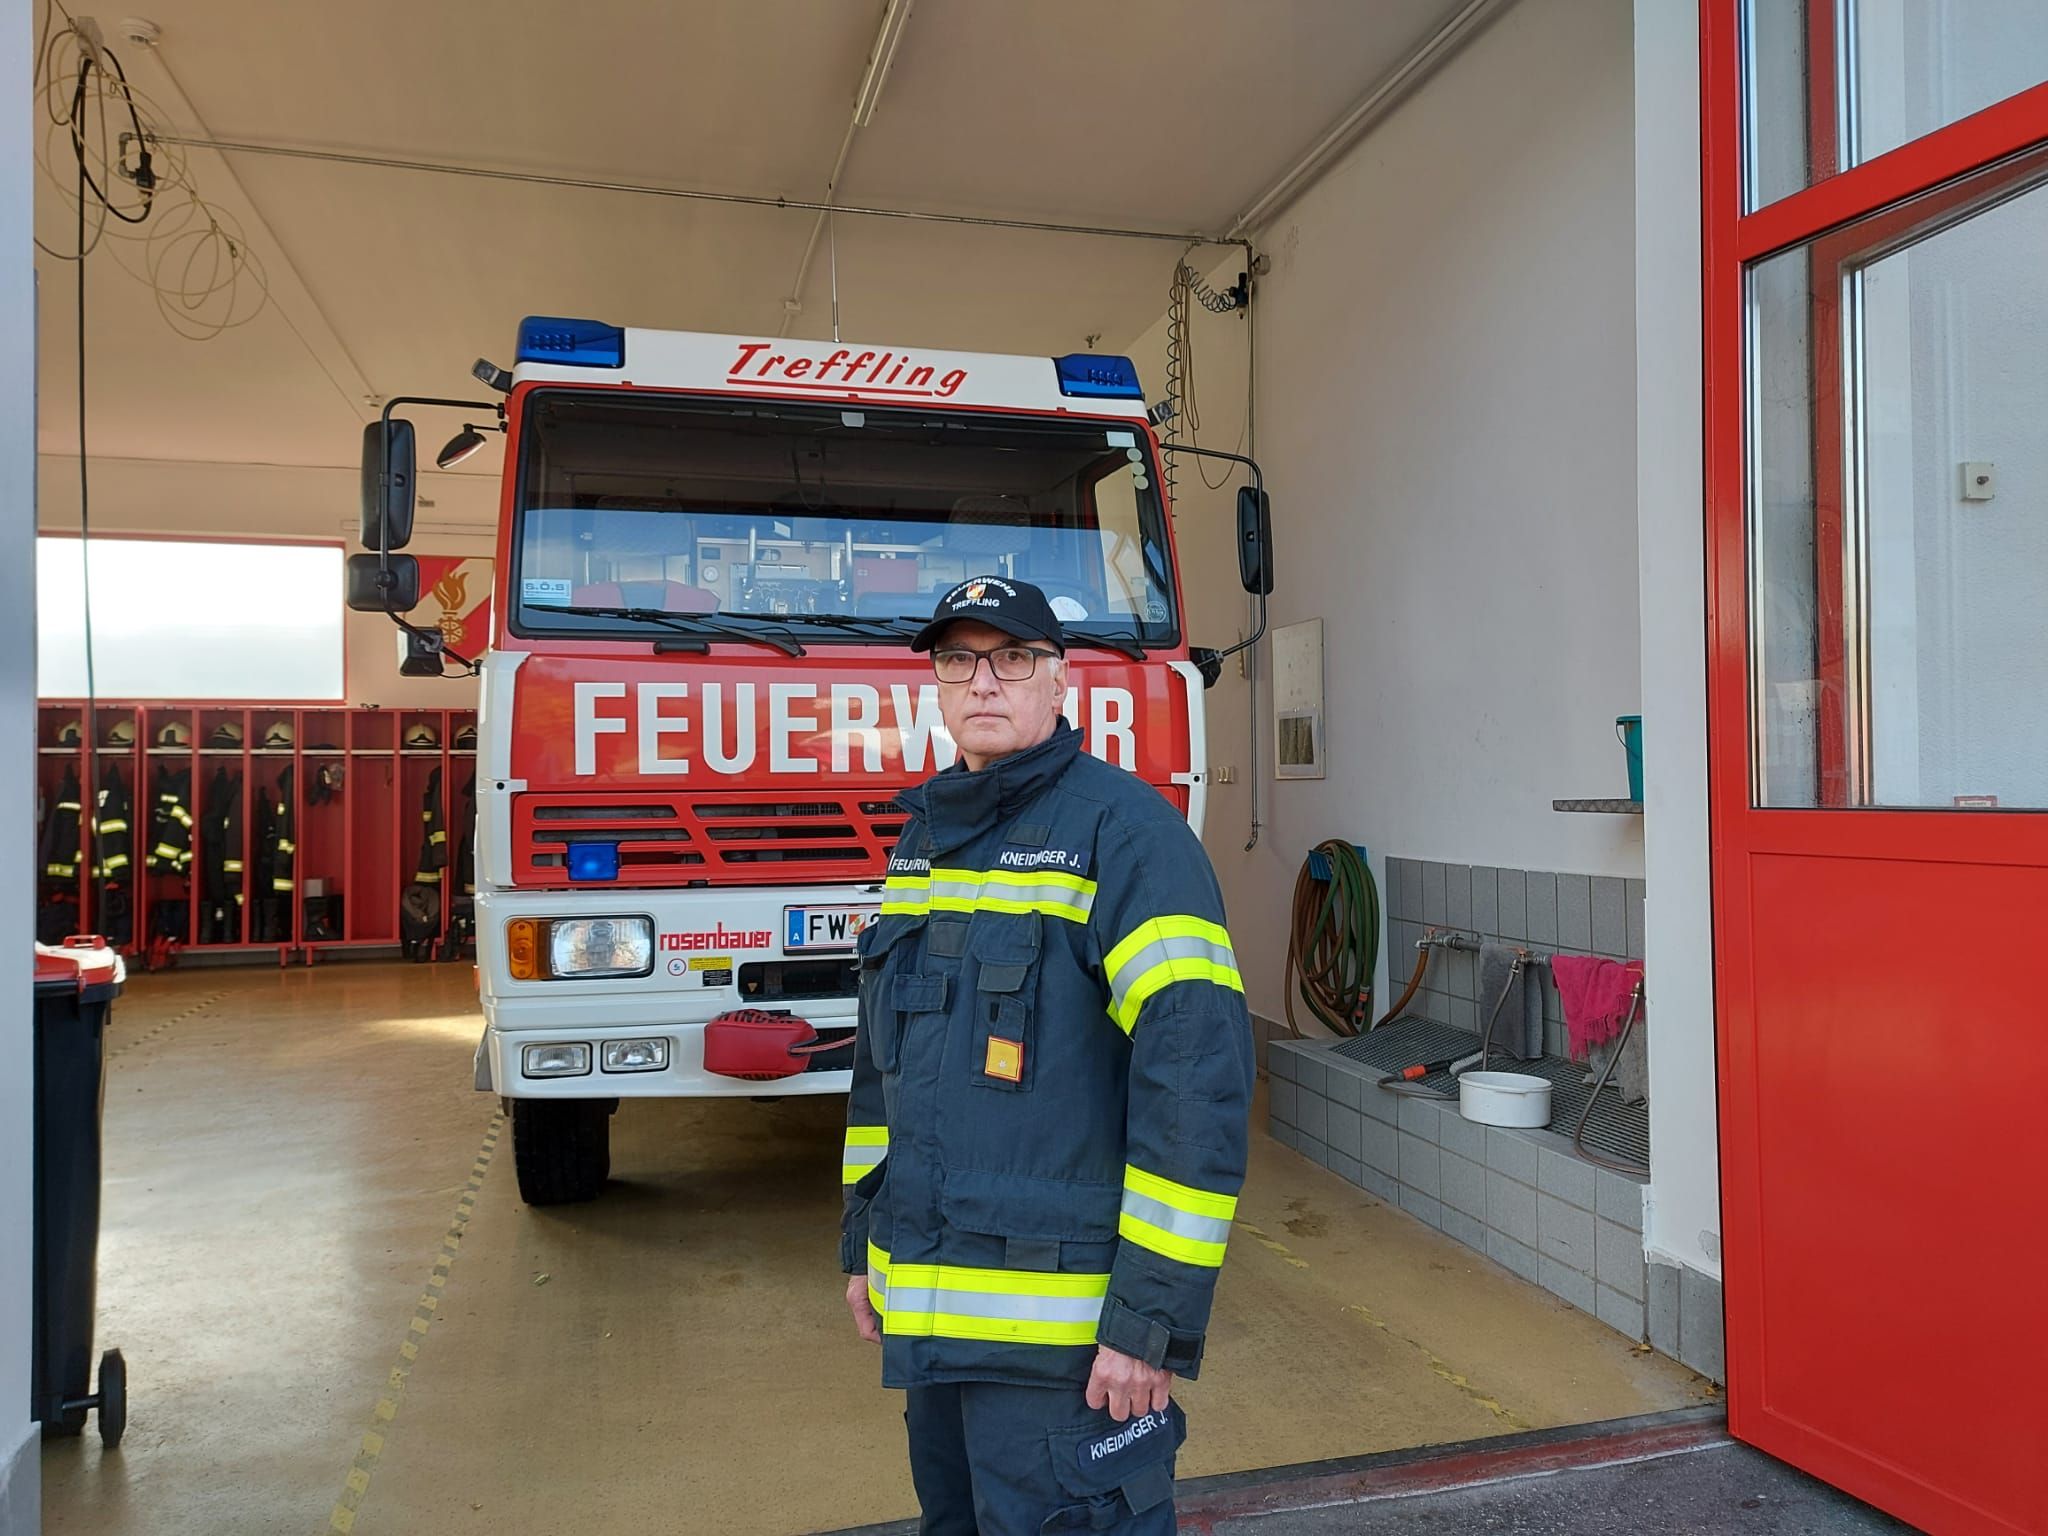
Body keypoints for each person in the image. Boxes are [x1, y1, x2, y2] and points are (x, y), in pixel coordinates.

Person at [840, 575, 1254, 1534]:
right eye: (958, 661)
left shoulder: (1127, 835)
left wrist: (1148, 1323)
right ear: (937, 688)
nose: (984, 682)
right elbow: (884, 1069)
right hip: (939, 1330)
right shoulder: (925, 844)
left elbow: (1195, 1087)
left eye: (1012, 658)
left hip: (1070, 1354)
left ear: (1059, 683)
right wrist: (867, 1239)